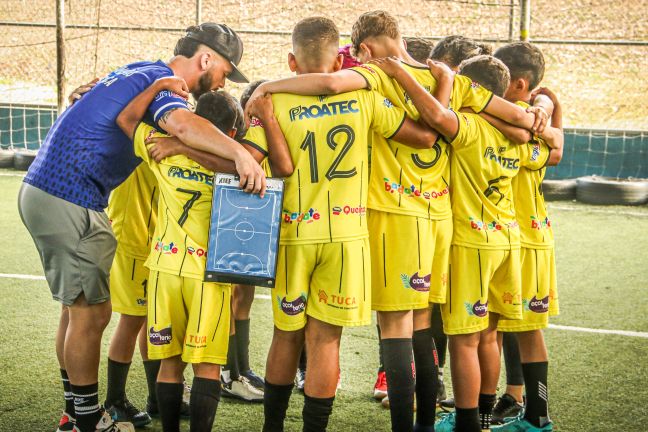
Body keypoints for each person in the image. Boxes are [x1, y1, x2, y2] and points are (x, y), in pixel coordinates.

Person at [244, 10, 547, 432]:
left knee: (333, 332)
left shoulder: (372, 79)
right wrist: (541, 113)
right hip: (427, 221)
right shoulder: (447, 83)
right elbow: (506, 120)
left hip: (366, 221)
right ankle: (426, 424)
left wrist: (265, 91)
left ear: (361, 51)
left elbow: (320, 98)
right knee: (414, 328)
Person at [18, 22, 264, 432]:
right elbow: (182, 125)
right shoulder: (166, 89)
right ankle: (86, 421)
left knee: (75, 311)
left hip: (45, 189)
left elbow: (106, 106)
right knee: (91, 316)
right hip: (70, 196)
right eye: (225, 69)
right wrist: (241, 154)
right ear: (205, 59)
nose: (222, 80)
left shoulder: (140, 70)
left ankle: (75, 414)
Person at [242, 16, 438, 432]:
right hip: (348, 238)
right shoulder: (365, 97)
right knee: (326, 340)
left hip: (294, 234)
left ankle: (272, 428)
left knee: (285, 335)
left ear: (291, 61)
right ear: (338, 63)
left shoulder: (271, 102)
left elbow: (248, 159)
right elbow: (424, 137)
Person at [368, 54, 550, 432]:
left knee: (465, 342)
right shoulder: (521, 134)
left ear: (477, 93)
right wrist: (540, 112)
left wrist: (403, 70)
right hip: (509, 241)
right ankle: (484, 417)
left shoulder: (466, 127)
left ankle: (467, 422)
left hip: (472, 243)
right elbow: (554, 145)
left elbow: (435, 117)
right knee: (490, 337)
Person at [491, 42, 564, 432]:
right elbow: (555, 150)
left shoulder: (509, 125)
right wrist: (549, 113)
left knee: (491, 325)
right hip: (535, 237)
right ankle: (531, 409)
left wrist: (545, 109)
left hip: (510, 236)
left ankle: (486, 411)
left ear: (517, 84)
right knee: (523, 326)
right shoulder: (538, 126)